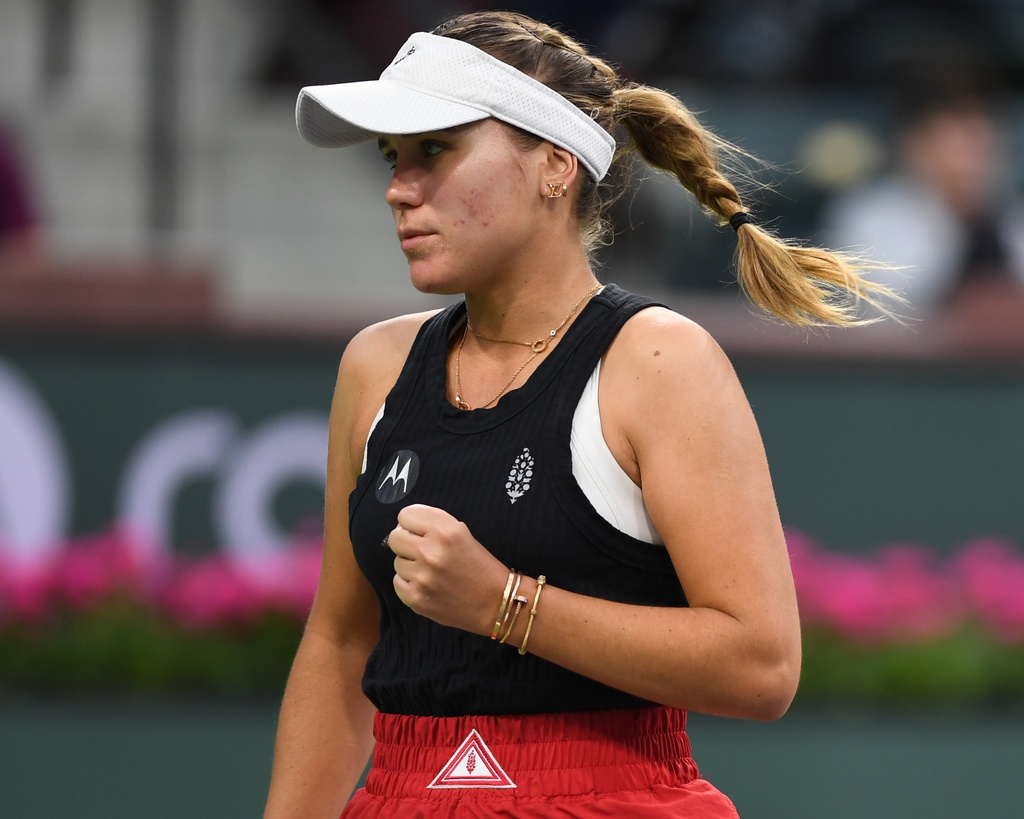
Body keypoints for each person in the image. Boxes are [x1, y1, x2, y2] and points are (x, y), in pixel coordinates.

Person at [263, 11, 895, 818]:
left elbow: (761, 666)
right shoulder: (374, 365)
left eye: (436, 150)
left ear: (555, 167)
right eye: (394, 157)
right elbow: (341, 642)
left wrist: (503, 603)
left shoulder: (660, 361)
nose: (399, 187)